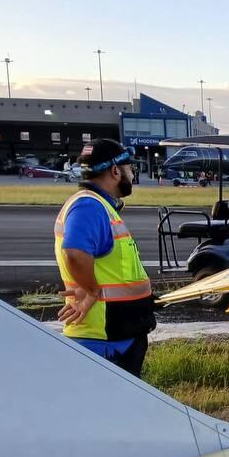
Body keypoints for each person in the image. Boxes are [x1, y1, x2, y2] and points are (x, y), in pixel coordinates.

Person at [53, 138, 156, 376]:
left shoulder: (99, 206)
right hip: (102, 340)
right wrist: (90, 290)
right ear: (115, 171)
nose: (132, 174)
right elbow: (75, 253)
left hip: (115, 334)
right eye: (130, 168)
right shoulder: (89, 206)